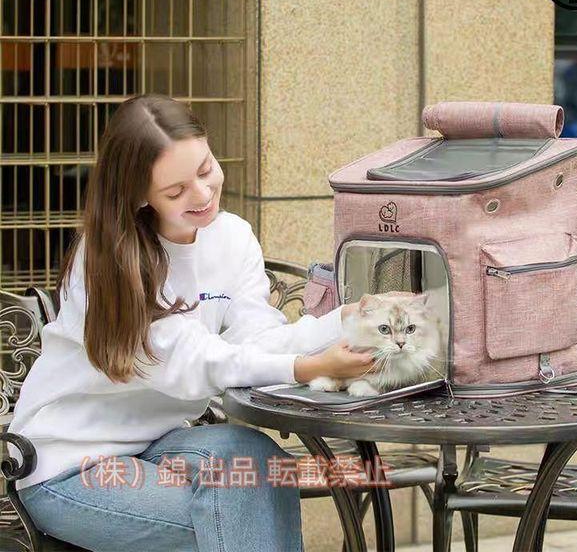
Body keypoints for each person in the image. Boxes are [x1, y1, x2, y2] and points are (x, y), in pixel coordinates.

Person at [8, 94, 376, 552]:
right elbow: (192, 362)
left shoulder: (232, 237)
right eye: (175, 191)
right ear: (139, 194)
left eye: (205, 170)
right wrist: (308, 367)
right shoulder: (108, 261)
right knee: (240, 515)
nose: (202, 195)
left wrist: (351, 318)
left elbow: (257, 340)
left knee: (256, 461)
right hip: (67, 466)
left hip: (158, 443)